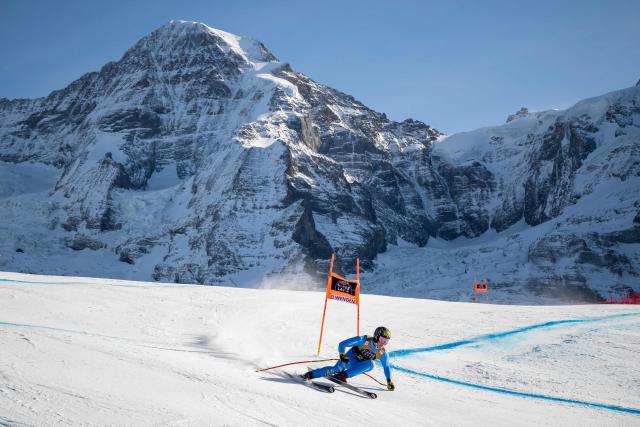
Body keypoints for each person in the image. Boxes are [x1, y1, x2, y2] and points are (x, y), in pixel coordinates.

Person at [304, 326, 395, 391]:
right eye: (382, 340)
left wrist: (389, 381)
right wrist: (342, 354)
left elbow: (386, 367)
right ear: (376, 336)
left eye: (386, 341)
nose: (383, 343)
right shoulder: (364, 340)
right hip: (349, 358)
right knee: (336, 369)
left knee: (371, 365)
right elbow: (342, 344)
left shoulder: (382, 353)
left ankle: (343, 375)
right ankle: (310, 375)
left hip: (357, 365)